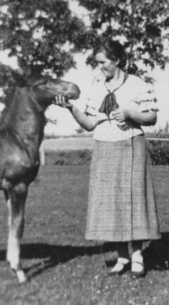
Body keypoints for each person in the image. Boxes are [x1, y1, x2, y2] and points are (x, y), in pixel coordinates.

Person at [55, 40, 160, 277]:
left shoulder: (136, 84)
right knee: (111, 203)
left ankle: (137, 257)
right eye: (97, 63)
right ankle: (122, 257)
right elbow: (90, 123)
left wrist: (130, 113)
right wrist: (71, 108)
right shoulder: (96, 87)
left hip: (131, 145)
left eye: (103, 62)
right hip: (104, 147)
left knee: (133, 200)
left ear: (118, 60)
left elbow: (152, 117)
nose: (99, 67)